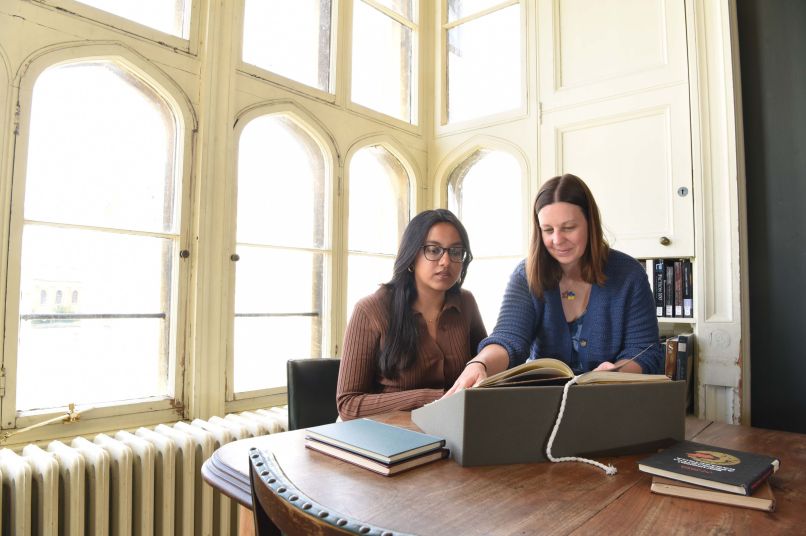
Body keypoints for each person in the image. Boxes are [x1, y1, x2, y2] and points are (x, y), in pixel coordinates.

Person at [446, 173, 663, 395]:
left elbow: (645, 351)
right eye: (548, 230)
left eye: (568, 228)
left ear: (590, 223)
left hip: (611, 401)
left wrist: (615, 374)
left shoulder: (629, 274)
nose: (557, 240)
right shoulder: (525, 275)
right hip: (544, 404)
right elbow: (508, 339)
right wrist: (479, 364)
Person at [337, 209, 487, 420]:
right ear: (411, 256)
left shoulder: (466, 303)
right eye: (434, 250)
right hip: (388, 435)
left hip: (454, 428)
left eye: (455, 252)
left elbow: (485, 369)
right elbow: (348, 405)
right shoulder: (370, 309)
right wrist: (430, 398)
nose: (446, 261)